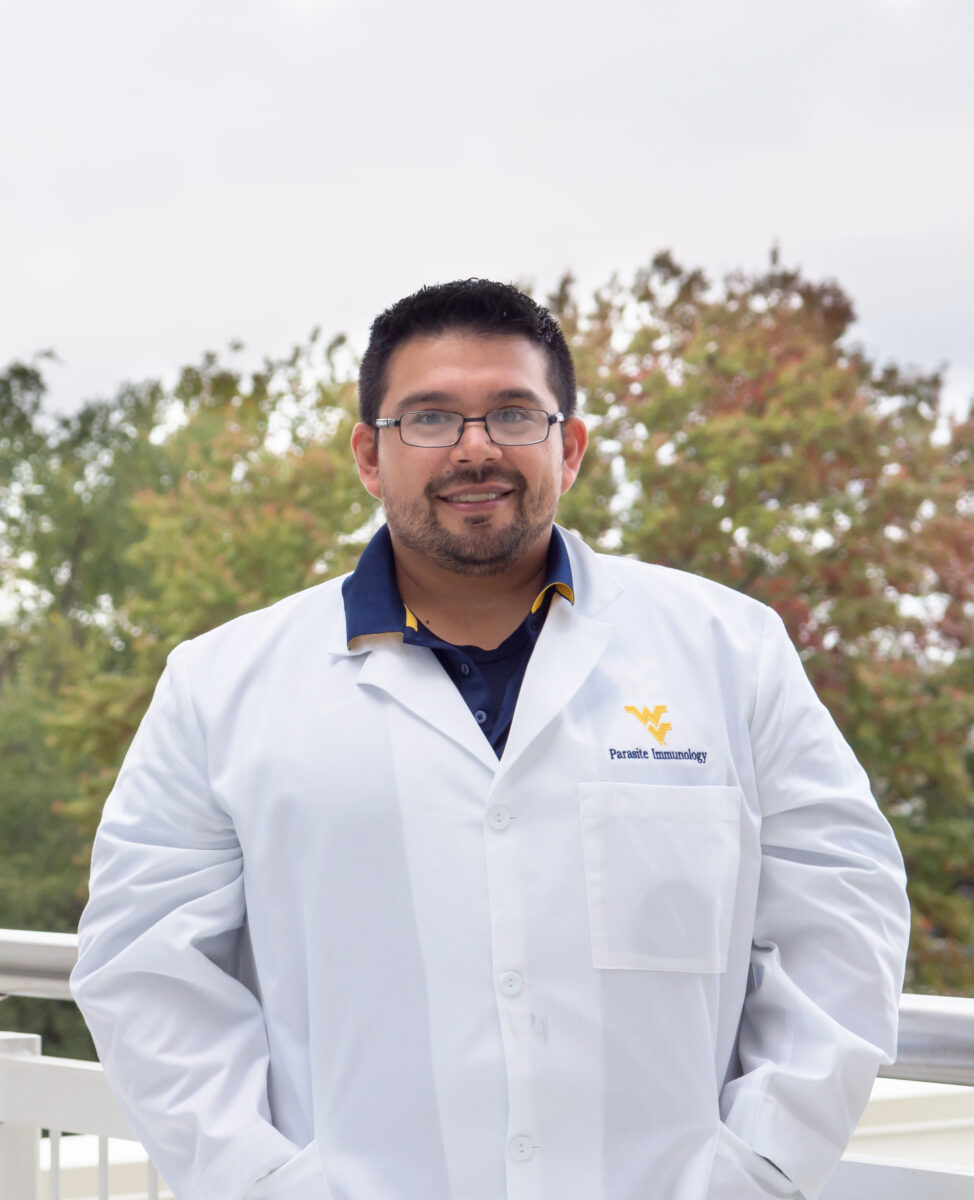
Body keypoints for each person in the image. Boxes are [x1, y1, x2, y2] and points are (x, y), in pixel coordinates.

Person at [71, 279, 910, 1200]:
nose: (474, 448)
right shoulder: (220, 685)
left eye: (514, 413)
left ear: (571, 447)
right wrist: (263, 1182)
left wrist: (757, 1164)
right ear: (368, 455)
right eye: (428, 418)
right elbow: (145, 970)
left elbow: (843, 910)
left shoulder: (731, 651)